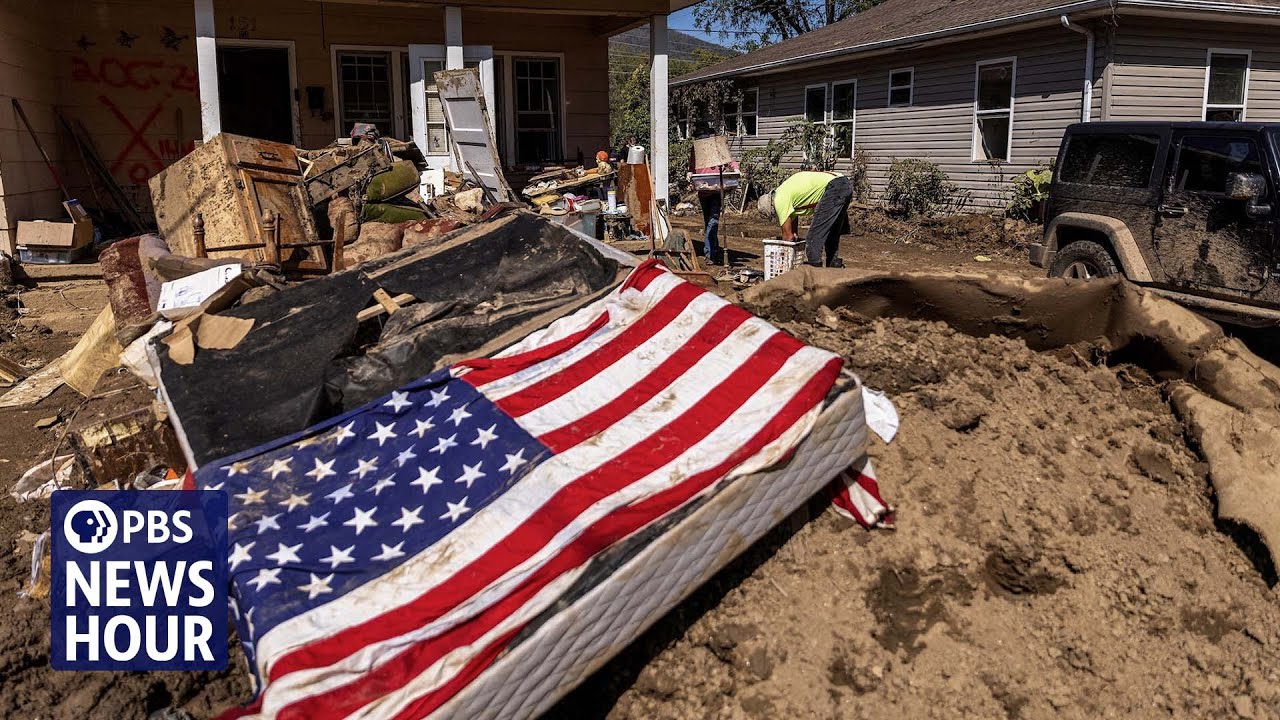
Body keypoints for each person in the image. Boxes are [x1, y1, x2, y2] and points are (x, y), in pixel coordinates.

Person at [771, 170, 852, 267]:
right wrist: (794, 236)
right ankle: (833, 268)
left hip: (834, 188)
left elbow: (788, 238)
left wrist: (783, 262)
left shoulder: (779, 199)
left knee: (813, 239)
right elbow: (793, 234)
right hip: (844, 183)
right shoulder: (786, 192)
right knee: (831, 233)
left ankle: (814, 273)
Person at [689, 127, 739, 266]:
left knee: (713, 222)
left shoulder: (717, 147)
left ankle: (710, 254)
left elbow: (729, 160)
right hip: (703, 190)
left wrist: (735, 168)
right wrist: (690, 174)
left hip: (716, 190)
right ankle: (713, 250)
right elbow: (692, 166)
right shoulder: (696, 150)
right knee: (708, 222)